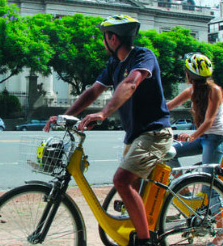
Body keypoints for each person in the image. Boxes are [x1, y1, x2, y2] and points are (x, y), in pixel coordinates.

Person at [44, 14, 172, 246]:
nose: (103, 43)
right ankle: (138, 232)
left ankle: (145, 242)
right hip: (134, 136)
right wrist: (68, 116)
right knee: (130, 190)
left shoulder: (143, 56)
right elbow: (93, 91)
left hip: (154, 133)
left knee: (121, 181)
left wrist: (103, 113)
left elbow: (131, 83)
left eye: (104, 38)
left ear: (112, 39)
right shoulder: (114, 64)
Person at [166, 53, 223, 171]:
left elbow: (209, 121)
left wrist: (192, 136)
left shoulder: (214, 90)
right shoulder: (191, 91)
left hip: (216, 138)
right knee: (168, 154)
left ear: (188, 75)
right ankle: (183, 188)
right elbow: (168, 106)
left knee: (208, 181)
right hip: (201, 137)